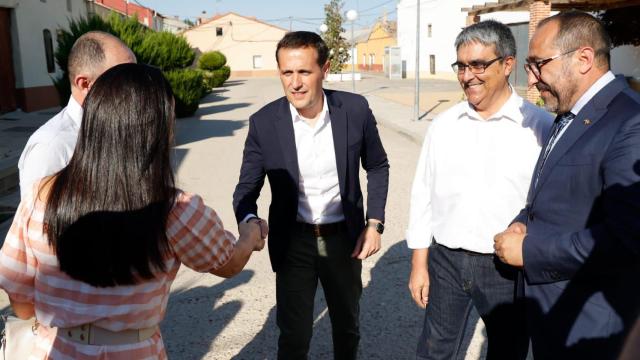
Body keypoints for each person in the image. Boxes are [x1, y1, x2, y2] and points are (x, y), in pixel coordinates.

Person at [0, 63, 265, 359]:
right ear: (158, 129)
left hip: (56, 349)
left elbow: (19, 295)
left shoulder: (42, 193)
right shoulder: (178, 210)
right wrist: (250, 236)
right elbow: (227, 263)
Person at [232, 31, 389, 359]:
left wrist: (374, 223)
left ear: (325, 68)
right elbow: (246, 189)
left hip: (344, 240)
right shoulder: (264, 123)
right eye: (287, 73)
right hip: (295, 243)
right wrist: (248, 219)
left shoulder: (354, 110)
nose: (295, 83)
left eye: (304, 72)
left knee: (347, 327)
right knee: (293, 335)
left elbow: (377, 165)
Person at [494, 11, 640, 359]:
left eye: (538, 65)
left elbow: (626, 239)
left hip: (591, 331)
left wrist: (529, 251)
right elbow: (559, 191)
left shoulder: (630, 123)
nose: (531, 80)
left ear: (584, 59)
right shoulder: (571, 113)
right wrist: (523, 220)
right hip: (552, 318)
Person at [406, 20, 552, 359]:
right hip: (446, 260)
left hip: (506, 267)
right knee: (433, 351)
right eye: (462, 65)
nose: (467, 75)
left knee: (507, 350)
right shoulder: (443, 126)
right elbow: (423, 194)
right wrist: (418, 262)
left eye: (479, 65)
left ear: (507, 64)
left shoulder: (539, 127)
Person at [18, 31, 136, 200]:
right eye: (123, 78)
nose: (135, 88)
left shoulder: (119, 127)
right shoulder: (52, 147)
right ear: (85, 84)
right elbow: (38, 222)